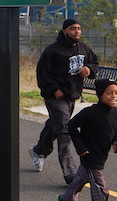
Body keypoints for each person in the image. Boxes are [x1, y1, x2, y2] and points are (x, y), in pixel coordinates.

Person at [56, 78, 117, 201]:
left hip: (100, 157)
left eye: (116, 92)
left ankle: (66, 199)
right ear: (100, 95)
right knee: (102, 193)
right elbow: (71, 126)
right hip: (90, 158)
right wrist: (81, 148)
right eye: (109, 93)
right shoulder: (90, 113)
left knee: (80, 179)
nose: (113, 96)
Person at [29, 19, 98, 185]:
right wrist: (53, 89)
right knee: (65, 131)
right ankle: (71, 175)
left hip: (72, 95)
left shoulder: (83, 48)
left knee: (55, 125)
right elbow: (42, 74)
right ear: (64, 30)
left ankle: (39, 151)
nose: (77, 32)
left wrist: (89, 69)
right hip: (56, 98)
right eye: (73, 29)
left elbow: (93, 63)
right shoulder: (53, 51)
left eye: (79, 29)